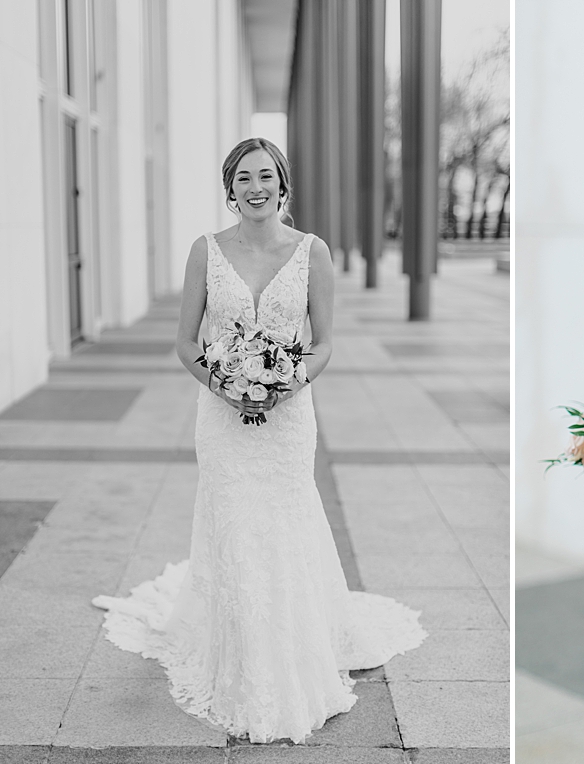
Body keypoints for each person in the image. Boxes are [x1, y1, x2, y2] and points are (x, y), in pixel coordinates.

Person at [92, 137, 426, 744]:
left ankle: (294, 645)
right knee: (235, 524)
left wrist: (288, 378)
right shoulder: (206, 251)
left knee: (283, 521)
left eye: (264, 176)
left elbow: (323, 342)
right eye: (243, 177)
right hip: (220, 420)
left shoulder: (312, 253)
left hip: (289, 419)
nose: (254, 187)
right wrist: (224, 384)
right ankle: (241, 651)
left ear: (282, 183)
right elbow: (187, 342)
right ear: (230, 186)